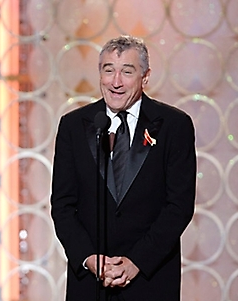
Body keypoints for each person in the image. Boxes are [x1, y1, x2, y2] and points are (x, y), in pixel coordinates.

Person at [50, 35, 196, 301]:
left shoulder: (175, 125)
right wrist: (89, 258)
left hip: (151, 280)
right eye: (109, 70)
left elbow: (179, 206)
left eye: (127, 72)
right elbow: (62, 205)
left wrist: (136, 262)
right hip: (91, 284)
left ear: (145, 76)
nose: (116, 82)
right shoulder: (73, 126)